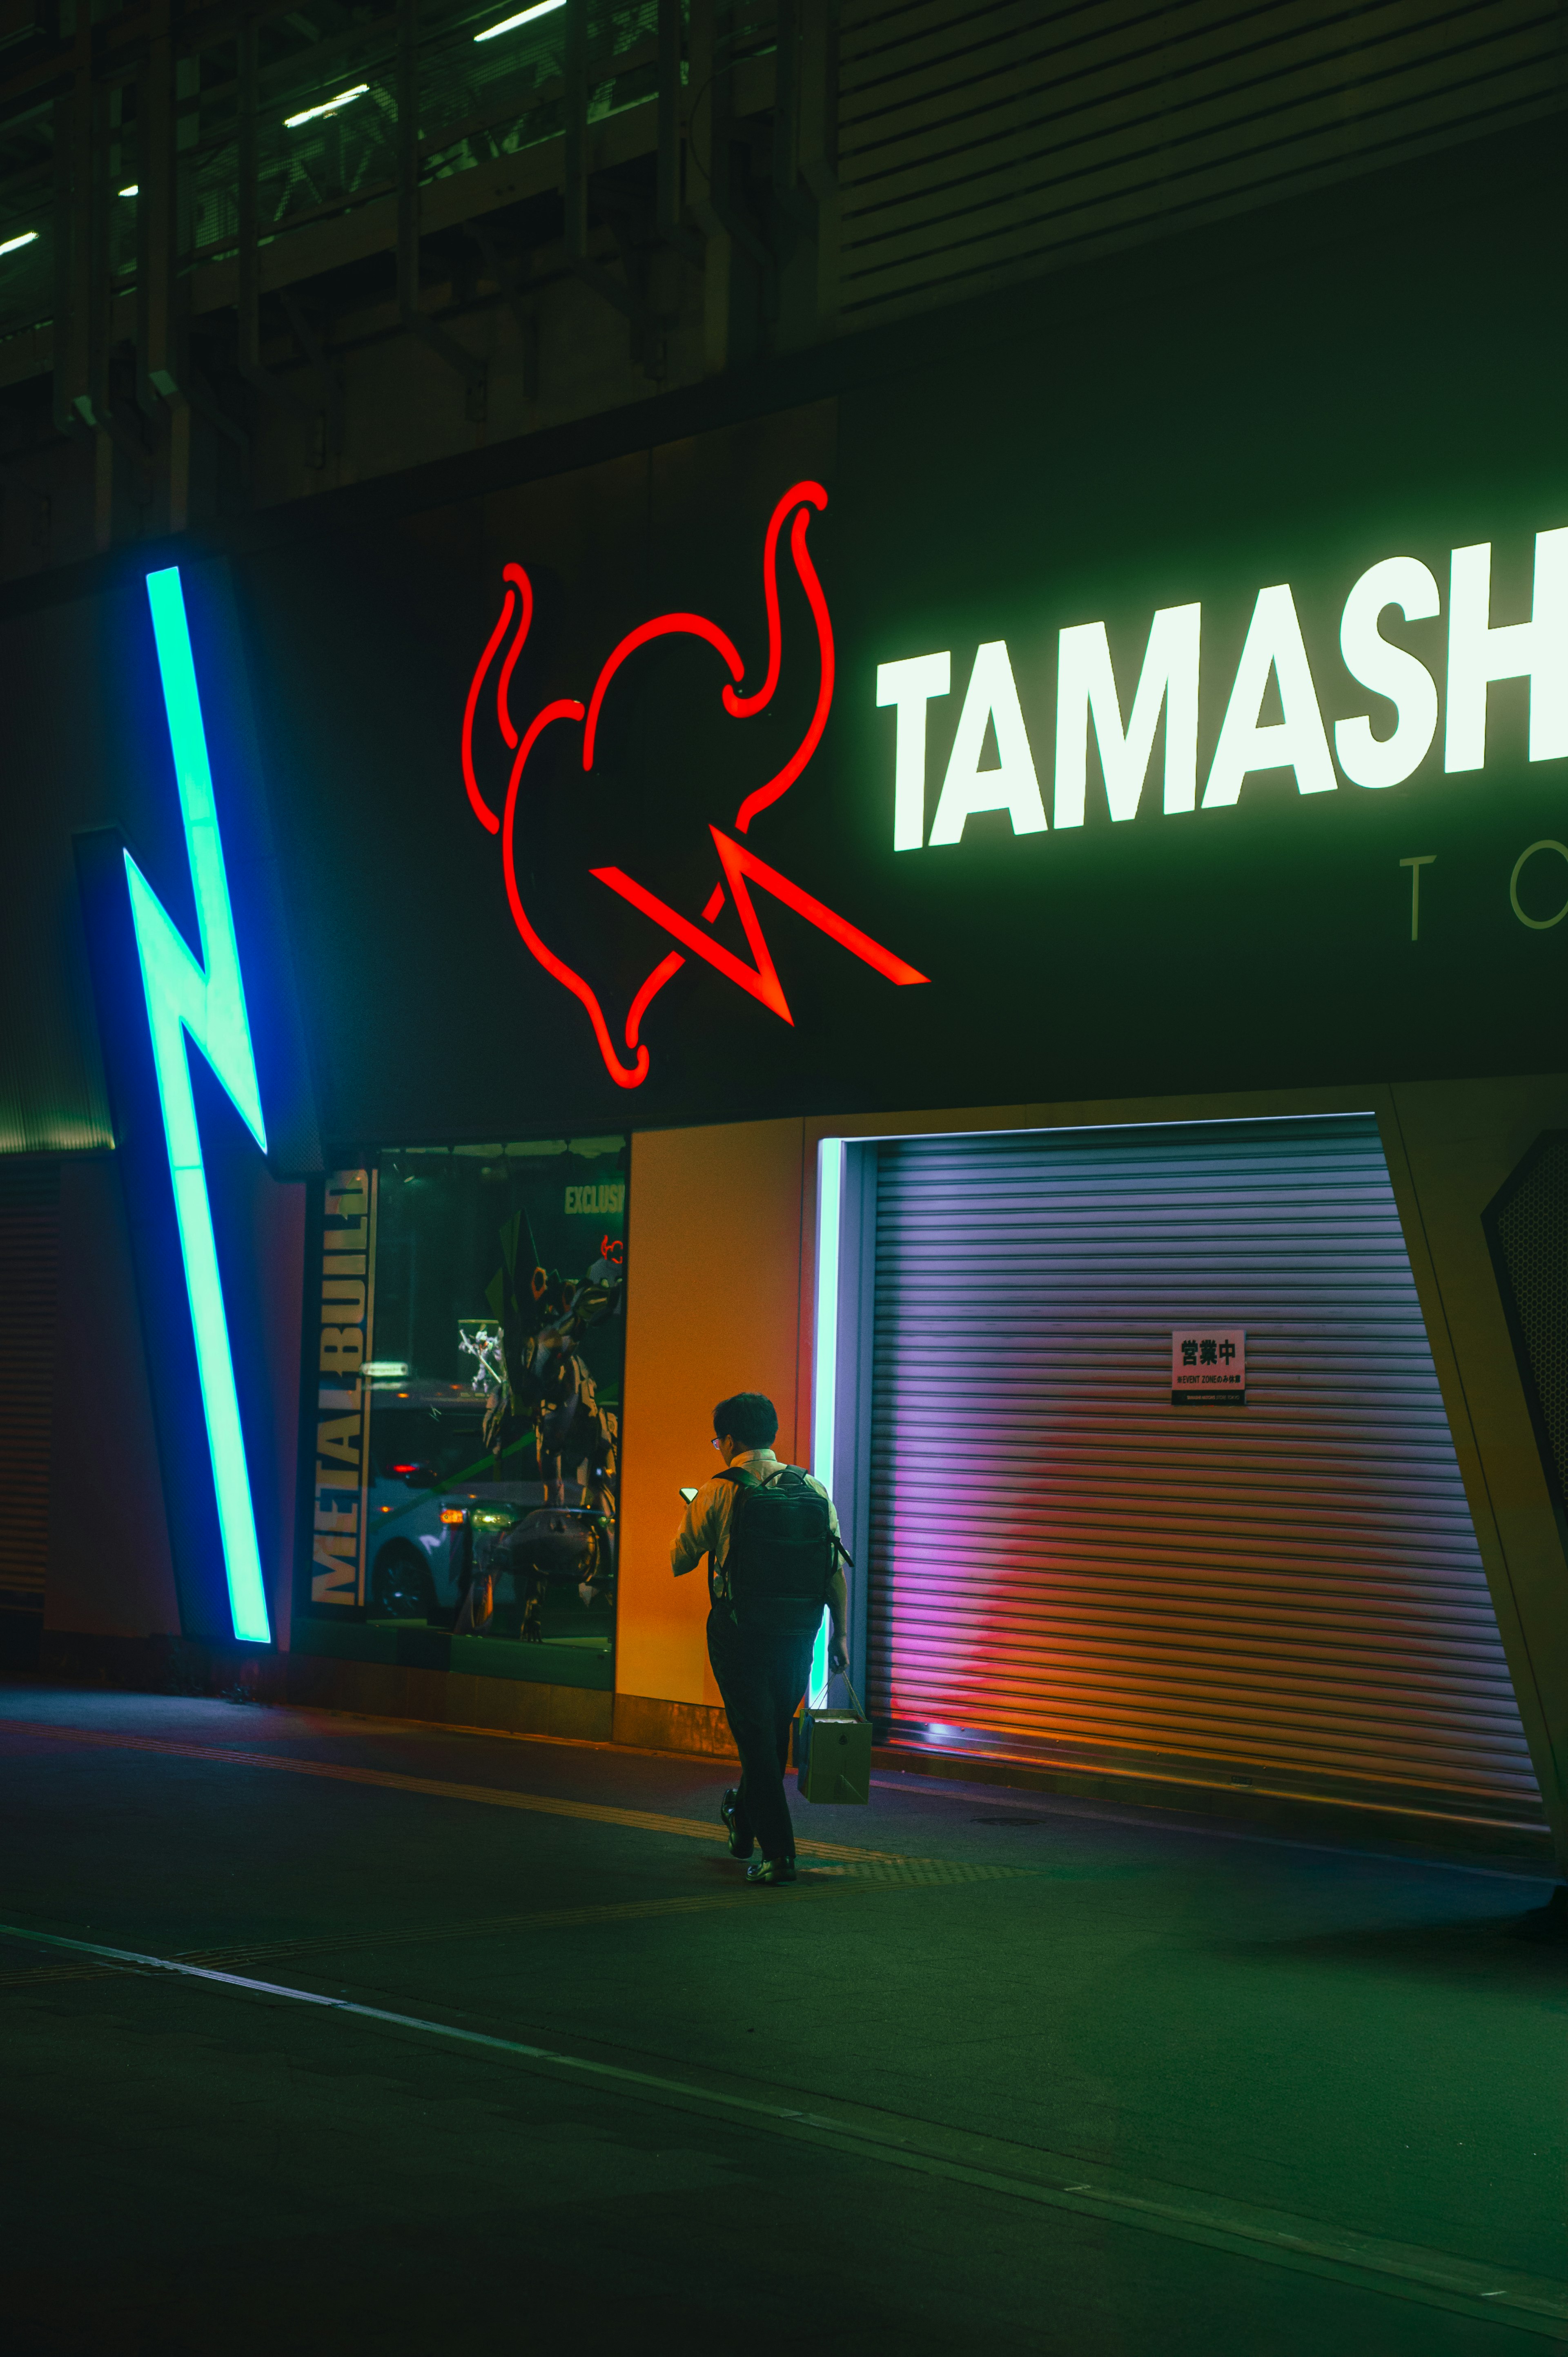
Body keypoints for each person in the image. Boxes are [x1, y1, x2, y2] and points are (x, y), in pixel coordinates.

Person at [671, 1392, 848, 1886]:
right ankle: (744, 1817)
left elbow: (679, 1560)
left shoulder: (718, 1490)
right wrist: (842, 1635)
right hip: (800, 1630)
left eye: (717, 1440)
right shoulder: (812, 1487)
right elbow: (834, 1569)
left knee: (757, 1739)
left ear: (729, 1440)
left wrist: (701, 1518)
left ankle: (780, 1854)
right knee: (770, 1736)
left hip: (740, 1630)